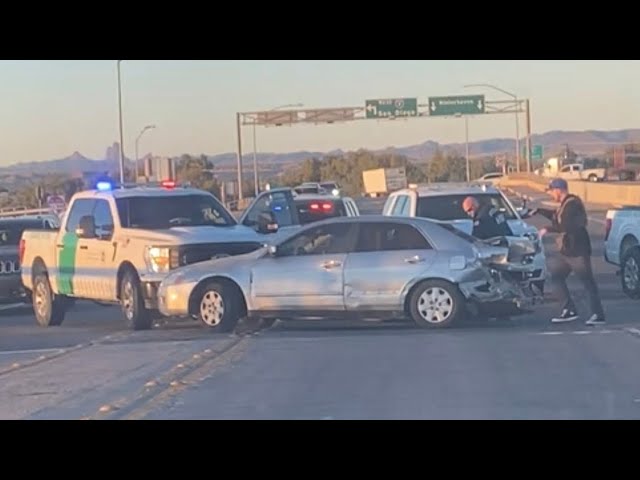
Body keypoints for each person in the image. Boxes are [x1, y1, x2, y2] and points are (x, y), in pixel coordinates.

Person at [532, 178, 605, 325]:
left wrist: (547, 229)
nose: (551, 194)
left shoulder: (572, 204)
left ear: (559, 189)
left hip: (577, 250)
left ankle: (598, 315)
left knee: (587, 282)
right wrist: (539, 211)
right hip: (567, 251)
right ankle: (568, 310)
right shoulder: (565, 204)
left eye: (552, 191)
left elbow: (565, 225)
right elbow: (557, 216)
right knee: (557, 278)